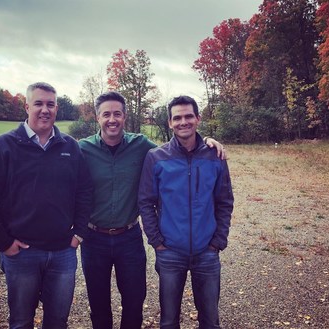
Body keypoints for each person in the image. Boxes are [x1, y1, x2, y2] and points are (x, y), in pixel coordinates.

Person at [78, 91, 226, 329]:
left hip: (129, 238)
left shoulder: (142, 147)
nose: (112, 119)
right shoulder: (82, 149)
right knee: (98, 304)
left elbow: (179, 147)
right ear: (98, 118)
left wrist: (208, 141)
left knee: (134, 302)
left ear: (125, 116)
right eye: (106, 114)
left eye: (117, 113)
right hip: (94, 238)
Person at [0, 82, 93, 329]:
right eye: (38, 103)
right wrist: (3, 242)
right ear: (27, 106)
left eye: (50, 104)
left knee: (58, 321)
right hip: (22, 254)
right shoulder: (4, 146)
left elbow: (85, 191)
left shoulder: (70, 146)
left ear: (57, 109)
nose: (44, 110)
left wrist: (79, 233)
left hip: (62, 253)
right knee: (21, 321)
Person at [138, 95, 234, 329]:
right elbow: (145, 202)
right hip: (170, 252)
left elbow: (224, 201)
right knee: (169, 321)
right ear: (170, 123)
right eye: (177, 118)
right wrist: (157, 241)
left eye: (188, 116)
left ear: (198, 119)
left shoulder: (215, 156)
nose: (184, 122)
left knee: (210, 321)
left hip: (207, 252)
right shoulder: (157, 157)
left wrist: (218, 241)